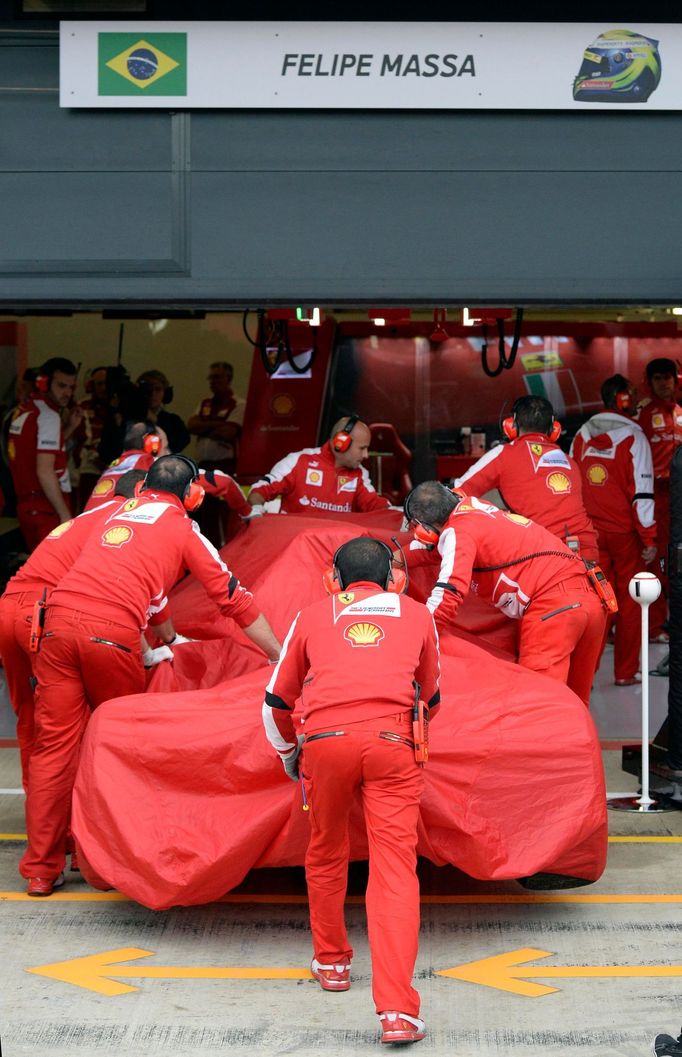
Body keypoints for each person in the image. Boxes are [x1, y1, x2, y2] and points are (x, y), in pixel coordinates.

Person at [22, 455, 281, 896]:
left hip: (56, 626)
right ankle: (107, 862)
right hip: (111, 636)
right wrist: (280, 656)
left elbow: (143, 595)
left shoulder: (112, 512)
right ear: (192, 496)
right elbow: (232, 598)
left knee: (53, 749)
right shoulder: (183, 528)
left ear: (143, 488)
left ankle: (41, 870)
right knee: (122, 745)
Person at [262, 537, 440, 1045]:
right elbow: (433, 696)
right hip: (393, 745)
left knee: (324, 851)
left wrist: (291, 756)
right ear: (395, 579)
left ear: (333, 581)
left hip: (323, 743)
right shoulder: (418, 614)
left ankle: (333, 964)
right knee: (393, 872)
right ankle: (398, 1013)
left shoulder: (311, 615)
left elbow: (275, 700)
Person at [0, 470, 147, 796]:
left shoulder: (88, 515)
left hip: (11, 605)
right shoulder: (126, 519)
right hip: (45, 613)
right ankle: (75, 820)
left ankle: (40, 814)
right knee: (65, 731)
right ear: (140, 493)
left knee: (30, 721)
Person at [404, 481, 606, 707]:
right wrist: (394, 557)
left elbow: (449, 592)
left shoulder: (458, 531)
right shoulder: (474, 509)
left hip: (555, 607)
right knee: (576, 706)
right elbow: (434, 551)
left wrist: (417, 638)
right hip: (591, 596)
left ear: (425, 529)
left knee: (540, 708)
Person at [571, 375, 657, 686]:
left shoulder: (581, 433)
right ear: (623, 399)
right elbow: (643, 493)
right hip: (626, 536)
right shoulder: (636, 437)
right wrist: (649, 537)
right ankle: (624, 673)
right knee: (632, 601)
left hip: (590, 534)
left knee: (595, 602)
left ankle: (585, 674)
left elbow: (573, 485)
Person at [454, 395, 599, 561]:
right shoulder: (569, 461)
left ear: (511, 425)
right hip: (587, 551)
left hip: (544, 553)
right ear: (554, 429)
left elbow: (457, 493)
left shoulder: (504, 454)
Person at [7, 357, 83, 551]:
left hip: (27, 506)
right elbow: (44, 470)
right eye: (61, 386)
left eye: (70, 387)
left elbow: (37, 450)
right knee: (55, 576)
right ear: (43, 383)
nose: (67, 392)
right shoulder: (48, 416)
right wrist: (65, 515)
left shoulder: (26, 409)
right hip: (46, 507)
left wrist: (69, 429)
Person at [248, 416, 391, 515]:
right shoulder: (298, 461)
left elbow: (373, 504)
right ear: (340, 443)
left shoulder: (360, 474)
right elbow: (260, 490)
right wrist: (256, 508)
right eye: (362, 448)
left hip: (336, 550)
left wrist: (397, 512)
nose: (366, 455)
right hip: (295, 547)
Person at [637, 357, 682, 641]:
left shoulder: (680, 411)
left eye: (668, 377)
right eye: (658, 378)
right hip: (654, 496)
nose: (664, 383)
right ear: (650, 382)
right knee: (655, 562)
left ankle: (671, 622)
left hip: (679, 495)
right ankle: (653, 627)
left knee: (676, 559)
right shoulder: (644, 415)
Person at [187, 361, 246, 547]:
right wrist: (216, 424)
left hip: (225, 467)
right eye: (210, 377)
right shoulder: (205, 403)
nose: (212, 381)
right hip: (202, 467)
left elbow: (228, 433)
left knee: (219, 515)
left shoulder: (239, 404)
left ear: (228, 379)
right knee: (200, 513)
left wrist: (205, 426)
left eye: (217, 377)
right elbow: (191, 426)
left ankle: (220, 551)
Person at [84, 421, 169, 510]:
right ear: (153, 444)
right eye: (165, 447)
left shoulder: (114, 465)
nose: (167, 453)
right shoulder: (150, 462)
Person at [73, 365, 111, 511]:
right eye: (99, 384)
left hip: (117, 469)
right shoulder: (82, 406)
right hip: (89, 468)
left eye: (106, 383)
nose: (103, 388)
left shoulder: (123, 405)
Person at [136, 369, 190, 454]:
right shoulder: (129, 417)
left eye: (157, 389)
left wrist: (155, 421)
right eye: (148, 389)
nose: (152, 393)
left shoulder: (174, 421)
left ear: (166, 393)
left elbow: (177, 444)